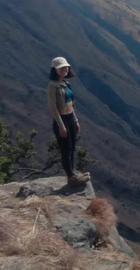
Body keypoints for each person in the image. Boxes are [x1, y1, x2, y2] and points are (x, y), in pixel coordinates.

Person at [47, 56, 90, 186]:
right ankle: (71, 176)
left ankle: (73, 172)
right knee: (66, 149)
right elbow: (53, 107)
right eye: (61, 68)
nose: (64, 69)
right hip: (62, 120)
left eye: (66, 67)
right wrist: (61, 125)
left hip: (70, 118)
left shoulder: (66, 84)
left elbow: (70, 104)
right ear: (55, 70)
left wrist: (75, 120)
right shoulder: (52, 86)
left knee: (72, 148)